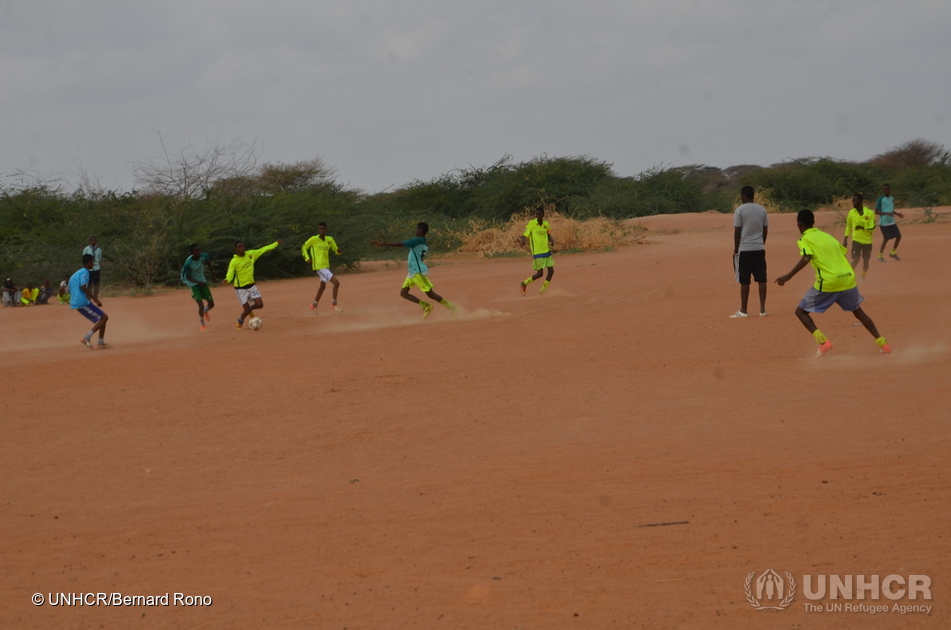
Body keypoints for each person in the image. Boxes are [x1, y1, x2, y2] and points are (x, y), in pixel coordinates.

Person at [775, 210, 890, 357]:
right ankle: (883, 344)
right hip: (848, 278)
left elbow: (806, 257)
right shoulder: (827, 236)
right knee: (858, 312)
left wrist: (788, 276)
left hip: (829, 282)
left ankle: (823, 343)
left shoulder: (804, 239)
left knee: (801, 312)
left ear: (800, 225)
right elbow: (840, 253)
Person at [373, 222, 456, 318]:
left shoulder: (418, 240)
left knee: (431, 294)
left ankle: (452, 307)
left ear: (421, 230)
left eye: (417, 229)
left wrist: (384, 244)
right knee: (403, 293)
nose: (415, 231)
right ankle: (426, 306)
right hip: (412, 272)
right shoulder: (423, 242)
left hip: (418, 272)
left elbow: (401, 244)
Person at [222, 239, 281, 329]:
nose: (241, 248)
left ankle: (249, 310)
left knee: (260, 305)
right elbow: (230, 274)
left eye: (243, 246)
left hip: (251, 286)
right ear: (235, 249)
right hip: (240, 289)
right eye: (239, 247)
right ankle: (241, 319)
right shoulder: (234, 261)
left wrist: (276, 243)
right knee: (246, 309)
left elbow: (264, 249)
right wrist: (227, 280)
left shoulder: (251, 254)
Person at [730, 185, 769, 318]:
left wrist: (736, 249)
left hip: (745, 249)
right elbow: (765, 229)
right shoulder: (762, 209)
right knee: (762, 279)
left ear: (744, 195)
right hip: (759, 249)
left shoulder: (740, 210)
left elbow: (737, 231)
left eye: (741, 195)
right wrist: (761, 243)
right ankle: (762, 309)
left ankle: (743, 310)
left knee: (744, 281)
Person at [301, 222, 343, 314]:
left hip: (326, 265)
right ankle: (334, 304)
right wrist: (307, 258)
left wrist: (338, 251)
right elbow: (304, 247)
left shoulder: (329, 240)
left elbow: (335, 249)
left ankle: (314, 305)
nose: (321, 230)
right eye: (319, 229)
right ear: (318, 230)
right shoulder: (313, 239)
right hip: (318, 266)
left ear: (326, 229)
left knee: (322, 286)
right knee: (336, 283)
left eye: (323, 229)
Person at [70, 253, 109, 348]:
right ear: (89, 262)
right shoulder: (85, 272)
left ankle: (100, 341)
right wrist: (96, 299)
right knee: (104, 318)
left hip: (77, 300)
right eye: (92, 261)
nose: (93, 263)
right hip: (81, 302)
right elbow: (83, 287)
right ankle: (87, 337)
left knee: (102, 317)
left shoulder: (77, 273)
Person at [518, 206, 555, 295]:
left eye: (540, 214)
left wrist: (552, 240)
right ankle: (523, 284)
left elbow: (548, 234)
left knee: (551, 271)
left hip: (546, 251)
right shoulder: (532, 224)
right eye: (536, 214)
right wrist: (523, 241)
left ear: (543, 214)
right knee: (540, 274)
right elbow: (524, 235)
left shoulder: (546, 224)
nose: (538, 215)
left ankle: (542, 290)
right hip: (538, 252)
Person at [181, 245, 217, 331]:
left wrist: (213, 274)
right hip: (193, 284)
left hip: (202, 281)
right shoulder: (189, 263)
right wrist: (198, 282)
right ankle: (202, 324)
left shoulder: (204, 256)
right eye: (196, 251)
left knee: (211, 304)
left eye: (199, 250)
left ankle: (205, 311)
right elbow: (188, 277)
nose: (198, 252)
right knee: (201, 305)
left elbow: (208, 263)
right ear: (192, 253)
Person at [842, 193, 876, 282]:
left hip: (867, 241)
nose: (853, 202)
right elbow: (848, 226)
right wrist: (845, 238)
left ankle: (862, 276)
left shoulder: (869, 213)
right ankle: (850, 276)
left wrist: (863, 228)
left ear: (861, 201)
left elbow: (873, 227)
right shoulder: (851, 213)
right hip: (856, 240)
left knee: (866, 261)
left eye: (855, 200)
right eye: (852, 200)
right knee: (856, 259)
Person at [875, 183, 904, 262]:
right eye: (884, 189)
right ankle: (880, 256)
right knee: (886, 238)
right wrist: (887, 213)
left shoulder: (891, 198)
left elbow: (890, 209)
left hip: (891, 222)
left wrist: (897, 214)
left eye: (887, 189)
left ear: (889, 189)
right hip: (884, 223)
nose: (885, 191)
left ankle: (893, 252)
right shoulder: (881, 199)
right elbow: (876, 212)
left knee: (898, 236)